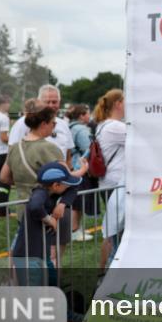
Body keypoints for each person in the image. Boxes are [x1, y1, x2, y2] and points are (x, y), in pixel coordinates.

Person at [3, 105, 87, 268]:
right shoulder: (49, 148)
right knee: (52, 258)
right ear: (43, 124)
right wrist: (82, 170)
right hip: (51, 210)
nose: (54, 127)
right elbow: (67, 178)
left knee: (23, 254)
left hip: (23, 208)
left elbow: (4, 177)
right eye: (53, 123)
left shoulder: (15, 147)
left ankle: (16, 285)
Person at [12, 162, 81, 286]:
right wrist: (50, 220)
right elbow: (34, 207)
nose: (68, 186)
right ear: (56, 185)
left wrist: (62, 203)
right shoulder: (40, 193)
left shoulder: (53, 193)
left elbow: (74, 188)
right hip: (29, 257)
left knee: (53, 283)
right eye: (66, 184)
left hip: (42, 254)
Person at [93, 90, 125, 269]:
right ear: (118, 104)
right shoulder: (115, 126)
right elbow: (141, 138)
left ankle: (103, 269)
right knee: (118, 234)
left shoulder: (104, 125)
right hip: (116, 184)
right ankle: (109, 272)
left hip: (108, 183)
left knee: (112, 231)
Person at [8, 84, 74, 160]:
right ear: (39, 102)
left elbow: (68, 155)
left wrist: (69, 170)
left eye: (54, 102)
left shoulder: (63, 124)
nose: (51, 105)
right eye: (47, 102)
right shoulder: (23, 123)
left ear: (59, 102)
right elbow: (12, 154)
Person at [66, 104, 95, 243]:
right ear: (82, 115)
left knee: (75, 201)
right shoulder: (81, 129)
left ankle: (76, 229)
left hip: (72, 166)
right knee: (78, 203)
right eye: (87, 113)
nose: (89, 116)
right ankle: (74, 231)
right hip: (80, 167)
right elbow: (88, 149)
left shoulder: (70, 127)